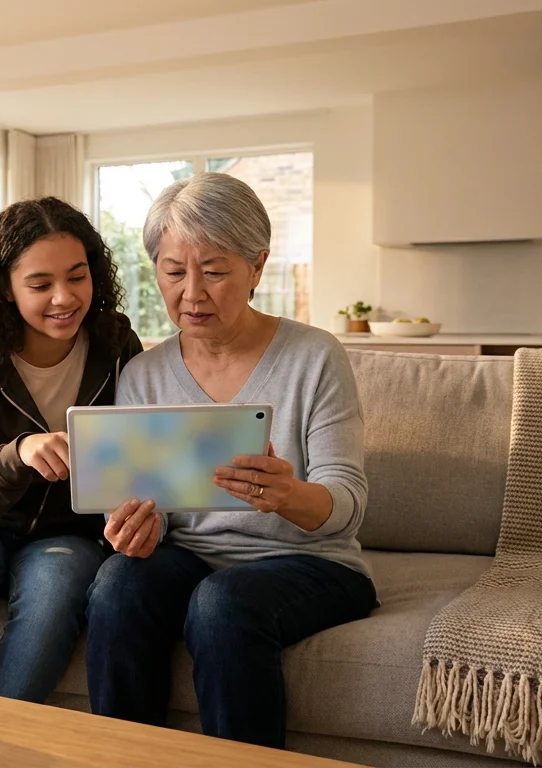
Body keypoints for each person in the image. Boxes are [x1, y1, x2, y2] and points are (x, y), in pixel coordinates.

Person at [84, 173, 377, 748]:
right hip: (194, 558)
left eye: (214, 271)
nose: (192, 293)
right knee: (117, 582)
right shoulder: (143, 373)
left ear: (257, 266)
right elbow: (156, 501)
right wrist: (139, 525)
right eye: (173, 272)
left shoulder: (316, 357)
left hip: (313, 562)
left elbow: (348, 505)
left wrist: (291, 496)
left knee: (222, 604)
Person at [0, 196, 143, 702]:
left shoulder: (116, 345)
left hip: (72, 536)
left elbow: (138, 457)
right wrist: (17, 454)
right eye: (40, 284)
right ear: (5, 288)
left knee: (57, 591)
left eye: (77, 277)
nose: (64, 297)